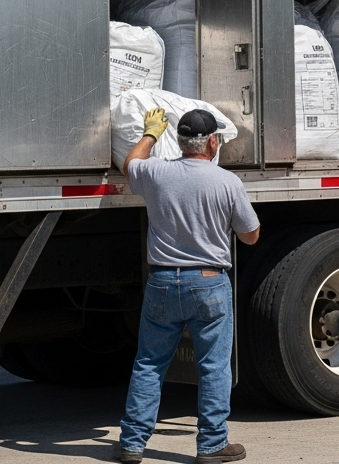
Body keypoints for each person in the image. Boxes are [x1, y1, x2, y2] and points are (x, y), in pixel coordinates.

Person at [116, 108, 261, 463]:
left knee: (149, 363)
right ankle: (212, 445)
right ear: (213, 142)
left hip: (162, 281)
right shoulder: (227, 182)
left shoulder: (156, 173)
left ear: (179, 142)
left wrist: (150, 133)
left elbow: (129, 164)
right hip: (209, 282)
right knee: (212, 366)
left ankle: (133, 443)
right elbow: (251, 236)